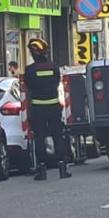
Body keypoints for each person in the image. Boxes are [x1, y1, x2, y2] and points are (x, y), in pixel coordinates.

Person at [24, 37, 71, 181]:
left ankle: (42, 170)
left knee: (40, 139)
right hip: (53, 107)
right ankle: (62, 168)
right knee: (57, 137)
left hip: (38, 108)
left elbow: (29, 87)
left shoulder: (30, 70)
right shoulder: (53, 67)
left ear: (33, 53)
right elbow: (57, 82)